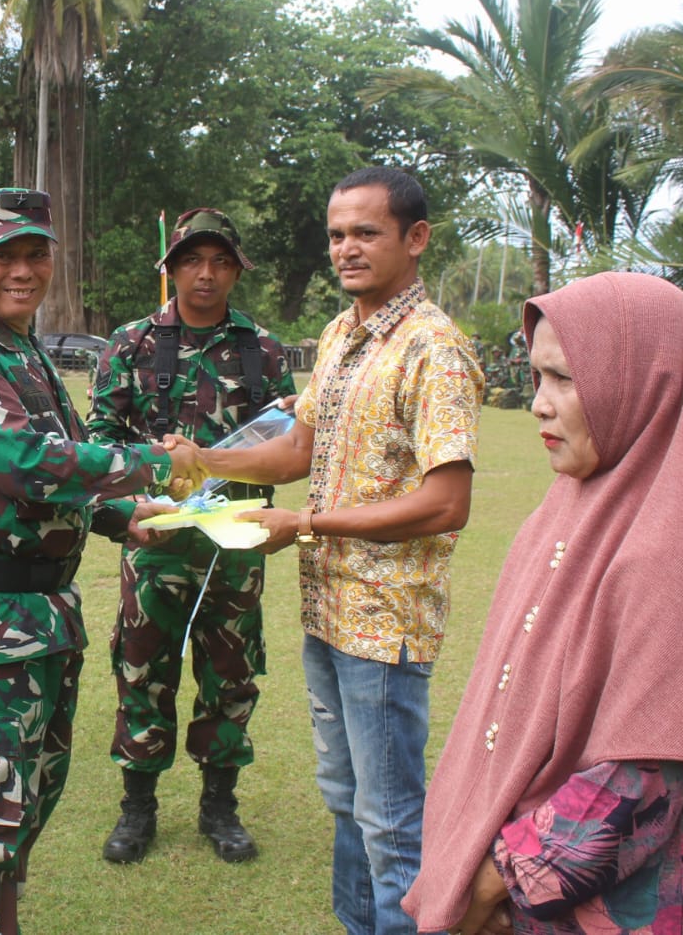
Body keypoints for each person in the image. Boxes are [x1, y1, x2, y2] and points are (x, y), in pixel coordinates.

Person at [404, 271, 683, 935]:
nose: (538, 404)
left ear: (645, 384)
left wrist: (487, 887)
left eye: (564, 379)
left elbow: (639, 783)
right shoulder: (570, 506)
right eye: (536, 377)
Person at [193, 167, 483, 935]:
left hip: (383, 624)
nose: (345, 249)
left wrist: (310, 526)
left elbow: (445, 502)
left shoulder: (435, 350)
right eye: (335, 234)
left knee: (390, 819)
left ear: (414, 239)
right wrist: (201, 462)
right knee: (345, 798)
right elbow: (296, 453)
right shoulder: (338, 335)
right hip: (327, 611)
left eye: (365, 232)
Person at [0, 187, 202, 935]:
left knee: (28, 797)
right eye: (2, 254)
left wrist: (122, 518)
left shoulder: (21, 347)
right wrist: (150, 467)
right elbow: (26, 462)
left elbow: (55, 487)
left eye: (36, 253)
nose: (22, 269)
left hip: (42, 616)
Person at [85, 208, 294, 864]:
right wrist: (141, 487)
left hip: (235, 548)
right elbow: (98, 443)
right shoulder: (131, 345)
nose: (206, 274)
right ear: (170, 267)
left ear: (235, 269)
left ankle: (219, 806)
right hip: (156, 546)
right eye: (192, 261)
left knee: (230, 676)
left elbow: (289, 446)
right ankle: (136, 808)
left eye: (220, 262)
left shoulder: (263, 350)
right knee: (142, 672)